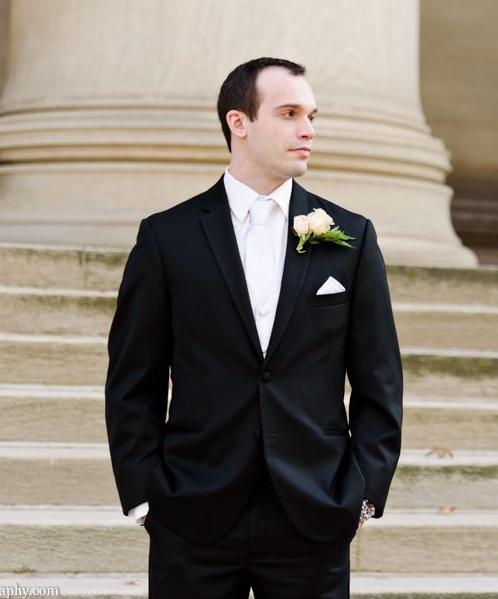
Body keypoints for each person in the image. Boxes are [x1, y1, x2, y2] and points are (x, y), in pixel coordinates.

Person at [105, 56, 403, 599]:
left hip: (313, 514)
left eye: (312, 115)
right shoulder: (166, 238)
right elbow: (133, 381)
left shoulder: (351, 238)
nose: (307, 129)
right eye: (288, 113)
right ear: (238, 122)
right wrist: (145, 495)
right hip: (192, 514)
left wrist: (362, 494)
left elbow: (379, 381)